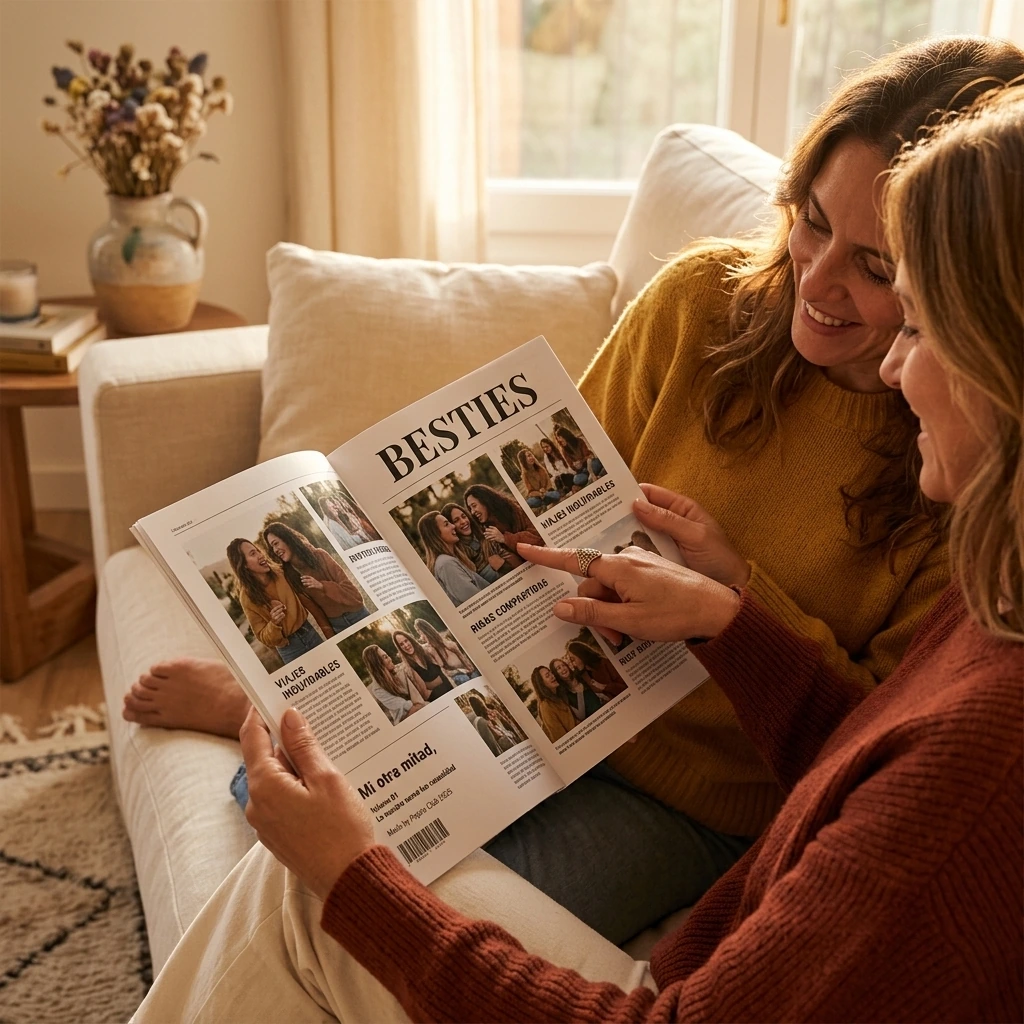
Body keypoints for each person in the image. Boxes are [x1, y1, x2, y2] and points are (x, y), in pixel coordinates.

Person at [131, 81, 1023, 1024]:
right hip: (538, 702)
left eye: (889, 283)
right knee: (310, 827)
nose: (817, 281)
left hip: (693, 802)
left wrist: (739, 595)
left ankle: (280, 719)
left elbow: (874, 759)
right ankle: (286, 703)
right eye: (810, 222)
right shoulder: (992, 579)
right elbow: (863, 749)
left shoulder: (964, 571)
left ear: (993, 352)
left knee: (320, 880)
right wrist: (721, 612)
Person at [263, 522, 370, 635]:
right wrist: (330, 635)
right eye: (272, 547)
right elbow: (317, 613)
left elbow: (353, 594)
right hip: (338, 626)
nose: (275, 550)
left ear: (287, 539)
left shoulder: (320, 555)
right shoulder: (291, 577)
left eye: (276, 543)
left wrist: (322, 586)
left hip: (358, 614)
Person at [226, 538, 322, 664]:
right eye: (253, 554)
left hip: (310, 633)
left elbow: (307, 595)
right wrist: (274, 623)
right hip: (290, 650)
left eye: (258, 551)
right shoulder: (247, 597)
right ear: (243, 564)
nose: (260, 555)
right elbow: (262, 636)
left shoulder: (281, 572)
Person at [416, 510, 489, 607]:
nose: (453, 526)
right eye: (446, 524)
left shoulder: (449, 560)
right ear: (436, 534)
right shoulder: (446, 564)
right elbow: (477, 601)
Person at [439, 501, 520, 581]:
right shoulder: (459, 555)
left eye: (464, 516)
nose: (463, 521)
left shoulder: (485, 533)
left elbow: (511, 556)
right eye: (456, 520)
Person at [463, 483, 543, 551]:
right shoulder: (484, 530)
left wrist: (505, 538)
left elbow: (537, 535)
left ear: (485, 501)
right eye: (470, 508)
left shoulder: (514, 509)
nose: (472, 512)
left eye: (474, 506)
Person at [362, 644, 426, 725]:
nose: (390, 659)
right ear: (377, 665)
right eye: (385, 657)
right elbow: (408, 708)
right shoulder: (378, 689)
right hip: (405, 720)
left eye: (387, 656)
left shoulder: (399, 671)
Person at [413, 617, 478, 685]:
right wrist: (459, 671)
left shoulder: (448, 644)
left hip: (465, 670)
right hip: (457, 674)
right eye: (418, 632)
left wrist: (469, 669)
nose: (421, 637)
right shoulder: (429, 650)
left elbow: (464, 660)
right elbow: (444, 672)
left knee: (474, 675)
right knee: (464, 678)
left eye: (419, 632)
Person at [393, 629, 453, 701]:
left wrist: (430, 685)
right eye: (401, 644)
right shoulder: (409, 667)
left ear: (410, 639)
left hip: (451, 691)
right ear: (399, 648)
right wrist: (439, 679)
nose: (406, 645)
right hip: (437, 701)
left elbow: (444, 671)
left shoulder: (427, 651)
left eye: (406, 641)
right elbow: (425, 694)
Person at [530, 664, 577, 742]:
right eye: (547, 676)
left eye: (551, 673)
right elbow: (560, 737)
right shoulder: (545, 706)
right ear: (542, 684)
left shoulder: (558, 697)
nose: (552, 676)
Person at [554, 424, 603, 489]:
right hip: (582, 471)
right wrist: (576, 466)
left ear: (565, 436)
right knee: (576, 479)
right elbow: (571, 465)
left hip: (590, 464)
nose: (559, 441)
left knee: (597, 462)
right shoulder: (564, 450)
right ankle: (591, 476)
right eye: (559, 440)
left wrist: (581, 462)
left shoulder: (579, 441)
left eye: (560, 438)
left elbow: (588, 455)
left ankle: (590, 478)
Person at [559, 657, 603, 721]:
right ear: (555, 674)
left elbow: (594, 693)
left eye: (563, 665)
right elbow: (581, 716)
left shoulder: (579, 676)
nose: (563, 668)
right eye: (559, 668)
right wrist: (579, 691)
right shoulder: (564, 693)